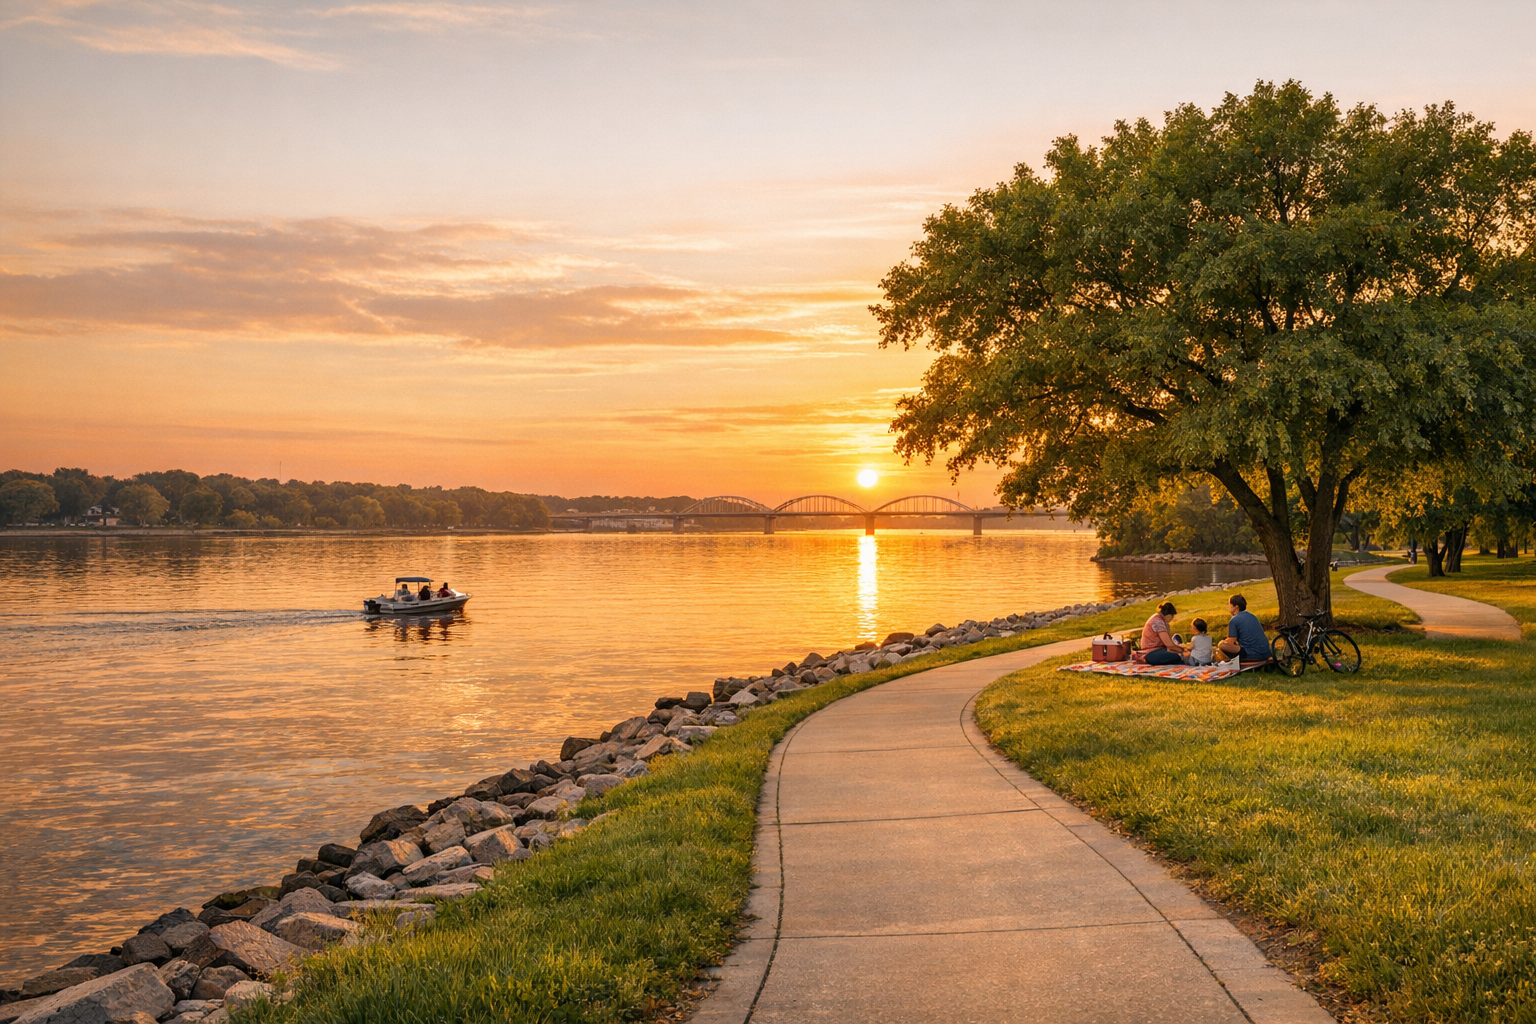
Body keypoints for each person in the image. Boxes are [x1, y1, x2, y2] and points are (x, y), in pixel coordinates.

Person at [1218, 594, 1271, 661]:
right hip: (1265, 653)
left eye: (1230, 606)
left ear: (1236, 607)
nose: (1229, 608)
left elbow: (1230, 642)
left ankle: (1231, 661)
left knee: (1222, 645)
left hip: (1252, 654)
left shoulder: (1234, 620)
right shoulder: (1252, 616)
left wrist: (1222, 643)